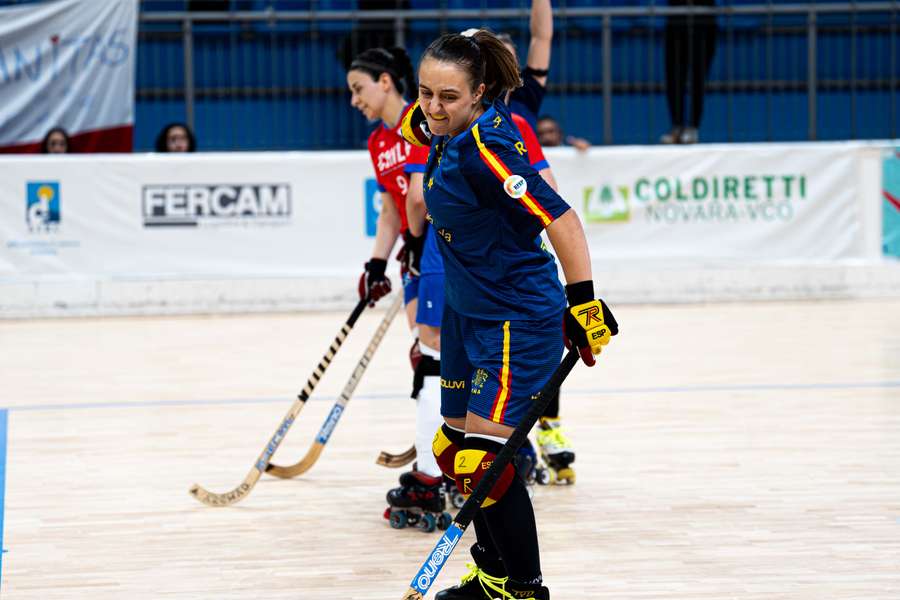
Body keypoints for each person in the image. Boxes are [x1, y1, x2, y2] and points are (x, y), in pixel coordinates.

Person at [402, 30, 618, 599]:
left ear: (481, 93)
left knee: (482, 460)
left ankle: (524, 589)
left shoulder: (492, 148)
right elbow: (413, 119)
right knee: (454, 449)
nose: (431, 107)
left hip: (513, 318)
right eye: (424, 92)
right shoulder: (441, 122)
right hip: (466, 311)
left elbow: (562, 221)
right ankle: (491, 574)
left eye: (447, 96)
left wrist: (584, 302)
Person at [346, 47, 449, 526]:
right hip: (418, 251)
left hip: (437, 248)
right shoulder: (377, 141)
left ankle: (434, 473)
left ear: (385, 81)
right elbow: (392, 204)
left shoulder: (417, 121)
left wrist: (412, 240)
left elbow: (416, 198)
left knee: (434, 356)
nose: (354, 100)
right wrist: (376, 261)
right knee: (431, 353)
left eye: (358, 88)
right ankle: (444, 457)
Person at [661, 0, 718, 144]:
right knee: (674, 77)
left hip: (703, 22)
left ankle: (693, 128)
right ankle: (677, 127)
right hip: (676, 21)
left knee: (698, 78)